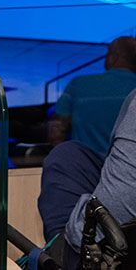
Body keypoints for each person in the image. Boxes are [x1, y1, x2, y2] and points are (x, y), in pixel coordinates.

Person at [38, 87, 136, 268]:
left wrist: (74, 241)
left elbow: (119, 205)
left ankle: (62, 254)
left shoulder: (78, 85)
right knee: (68, 156)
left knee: (64, 157)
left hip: (109, 242)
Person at [48, 36, 136, 158]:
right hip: (127, 167)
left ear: (113, 58)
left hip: (84, 165)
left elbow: (56, 133)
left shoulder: (78, 84)